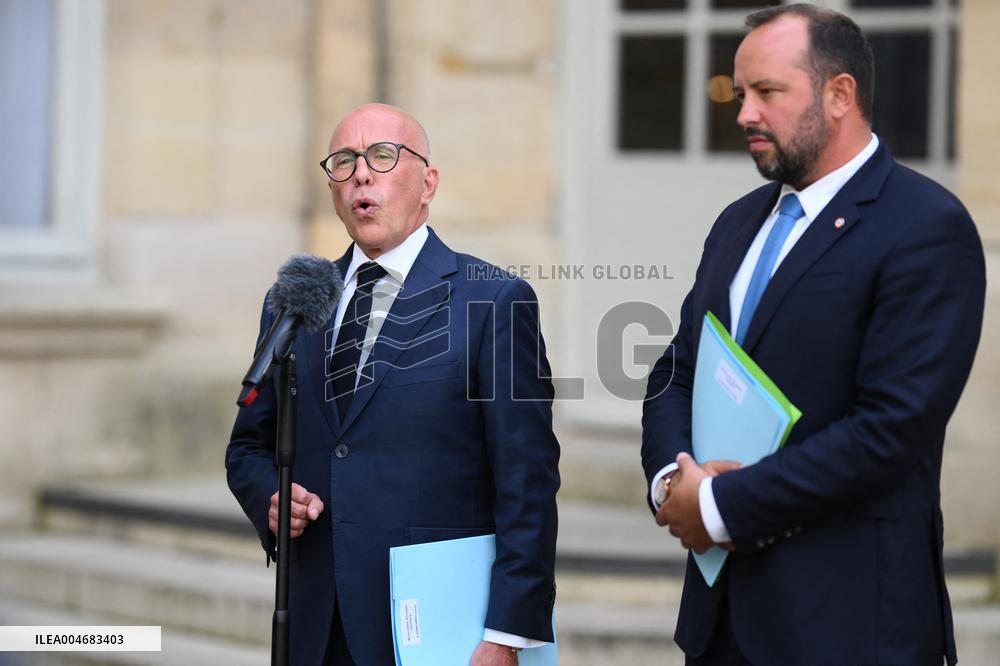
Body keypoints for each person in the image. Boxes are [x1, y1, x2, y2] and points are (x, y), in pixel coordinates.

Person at [641, 4, 985, 665]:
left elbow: (891, 430)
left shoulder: (926, 229)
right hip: (721, 627)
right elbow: (677, 371)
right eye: (742, 93)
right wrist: (669, 482)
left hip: (848, 627)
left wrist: (720, 506)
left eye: (767, 92)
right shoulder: (738, 223)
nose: (743, 113)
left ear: (839, 95)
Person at [226, 103, 559, 666]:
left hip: (435, 627)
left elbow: (527, 485)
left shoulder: (492, 302)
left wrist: (506, 635)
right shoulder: (295, 298)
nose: (360, 173)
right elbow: (247, 447)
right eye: (343, 161)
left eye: (382, 156)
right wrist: (272, 501)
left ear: (427, 182)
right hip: (314, 623)